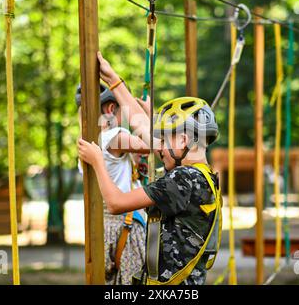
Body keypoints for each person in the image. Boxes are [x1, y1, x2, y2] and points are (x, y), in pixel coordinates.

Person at [78, 52, 222, 285]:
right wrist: (115, 82)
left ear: (183, 141)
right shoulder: (200, 176)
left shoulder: (182, 180)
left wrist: (97, 162)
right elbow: (141, 126)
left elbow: (116, 203)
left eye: (165, 140)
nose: (158, 146)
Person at [76, 83, 149, 285]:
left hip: (101, 227)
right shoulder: (114, 136)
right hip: (125, 229)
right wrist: (147, 115)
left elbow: (127, 167)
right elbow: (153, 144)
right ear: (110, 109)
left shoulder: (87, 143)